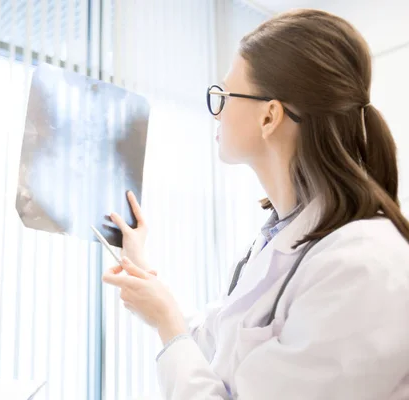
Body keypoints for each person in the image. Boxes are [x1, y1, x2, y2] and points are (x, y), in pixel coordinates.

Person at [102, 8, 409, 400]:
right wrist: (144, 273)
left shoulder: (362, 267)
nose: (217, 108)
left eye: (225, 95)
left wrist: (165, 319)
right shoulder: (280, 240)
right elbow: (215, 344)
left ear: (270, 116)